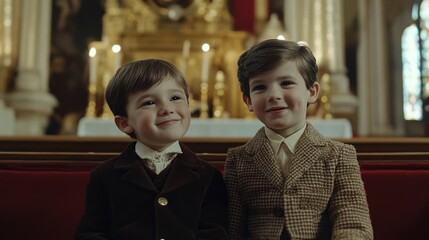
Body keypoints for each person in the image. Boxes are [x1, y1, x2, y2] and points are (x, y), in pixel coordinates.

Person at [224, 39, 373, 239]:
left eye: (286, 83)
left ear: (312, 92)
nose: (274, 95)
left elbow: (353, 222)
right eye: (260, 87)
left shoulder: (339, 156)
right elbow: (232, 228)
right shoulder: (238, 159)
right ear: (248, 101)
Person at [75, 59, 228, 240]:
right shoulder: (104, 176)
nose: (167, 108)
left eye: (175, 98)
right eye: (149, 102)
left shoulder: (209, 176)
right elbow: (90, 233)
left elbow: (215, 233)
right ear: (125, 123)